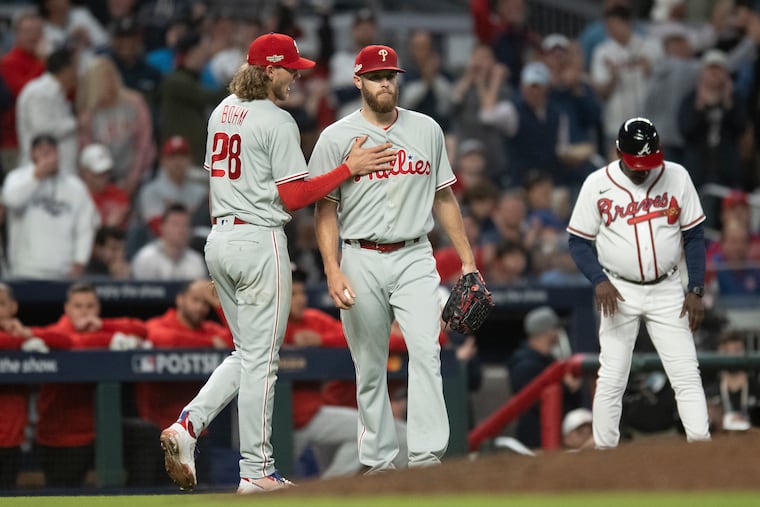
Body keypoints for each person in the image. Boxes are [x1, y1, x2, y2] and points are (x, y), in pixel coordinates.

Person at [158, 32, 396, 494]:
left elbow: (214, 185)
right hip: (259, 239)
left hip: (220, 236)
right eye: (289, 69)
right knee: (263, 363)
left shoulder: (221, 110)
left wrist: (223, 250)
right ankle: (257, 471)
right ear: (268, 70)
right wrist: (349, 167)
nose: (295, 76)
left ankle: (188, 425)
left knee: (245, 355)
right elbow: (296, 196)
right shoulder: (277, 120)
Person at [310, 44, 479, 473]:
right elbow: (324, 209)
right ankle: (380, 462)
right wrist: (331, 269)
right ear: (358, 81)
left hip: (414, 254)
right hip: (359, 256)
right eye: (376, 75)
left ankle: (425, 458)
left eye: (391, 75)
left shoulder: (427, 130)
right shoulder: (336, 136)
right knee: (369, 367)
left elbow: (444, 198)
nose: (386, 82)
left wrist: (468, 261)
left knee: (427, 352)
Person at [566, 117, 711, 448]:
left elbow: (694, 235)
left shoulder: (677, 176)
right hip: (619, 289)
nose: (643, 170)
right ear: (618, 152)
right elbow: (577, 241)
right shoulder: (596, 184)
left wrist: (696, 288)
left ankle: (702, 449)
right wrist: (598, 280)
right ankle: (605, 453)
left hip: (668, 287)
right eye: (636, 164)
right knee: (613, 376)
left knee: (686, 373)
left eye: (649, 162)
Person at [34, 282, 146, 487]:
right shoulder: (57, 331)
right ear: (67, 309)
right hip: (63, 436)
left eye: (90, 306)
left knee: (146, 436)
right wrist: (110, 339)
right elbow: (71, 344)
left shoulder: (100, 328)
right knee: (63, 498)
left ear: (98, 308)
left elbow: (141, 330)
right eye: (78, 306)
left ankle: (138, 496)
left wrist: (104, 327)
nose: (84, 312)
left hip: (99, 428)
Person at [2, 134, 99, 279]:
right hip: (24, 270)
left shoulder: (75, 186)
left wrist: (80, 261)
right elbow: (12, 200)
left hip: (64, 272)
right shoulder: (17, 177)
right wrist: (37, 175)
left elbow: (86, 226)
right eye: (42, 152)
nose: (48, 157)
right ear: (32, 154)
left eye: (51, 152)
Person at [507, 306, 582, 448]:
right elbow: (537, 403)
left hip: (559, 436)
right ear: (547, 331)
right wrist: (567, 387)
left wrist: (571, 388)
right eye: (555, 328)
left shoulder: (551, 360)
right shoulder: (524, 364)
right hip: (534, 440)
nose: (557, 333)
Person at [15, 48, 79, 173]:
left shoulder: (57, 93)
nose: (78, 73)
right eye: (76, 67)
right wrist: (76, 123)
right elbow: (42, 130)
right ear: (66, 70)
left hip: (58, 173)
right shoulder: (40, 92)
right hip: (40, 173)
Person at [131, 203, 207, 280]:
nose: (181, 230)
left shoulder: (196, 260)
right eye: (175, 224)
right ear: (162, 227)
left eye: (185, 225)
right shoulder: (146, 258)